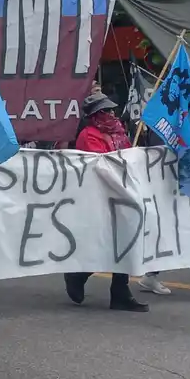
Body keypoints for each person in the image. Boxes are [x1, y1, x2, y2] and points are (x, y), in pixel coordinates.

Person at [63, 93, 149, 311]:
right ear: (95, 115)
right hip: (101, 196)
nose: (112, 114)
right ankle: (79, 274)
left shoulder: (120, 133)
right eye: (106, 111)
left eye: (112, 110)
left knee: (125, 240)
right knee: (110, 243)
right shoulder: (88, 135)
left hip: (124, 192)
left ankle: (118, 290)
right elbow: (99, 165)